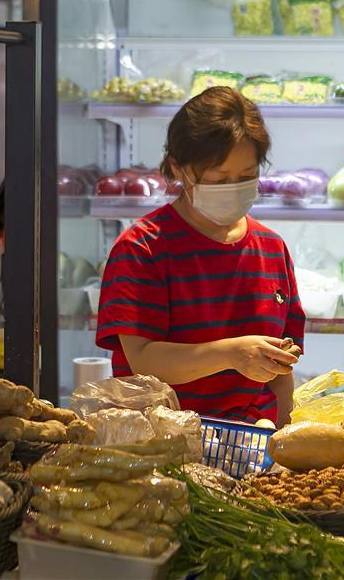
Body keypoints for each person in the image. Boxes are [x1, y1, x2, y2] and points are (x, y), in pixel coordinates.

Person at [95, 87, 305, 427]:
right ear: (179, 169)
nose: (234, 188)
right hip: (164, 445)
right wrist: (232, 354)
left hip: (253, 440)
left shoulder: (271, 247)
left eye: (247, 177)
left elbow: (283, 371)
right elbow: (143, 360)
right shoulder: (142, 248)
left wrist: (285, 436)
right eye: (218, 179)